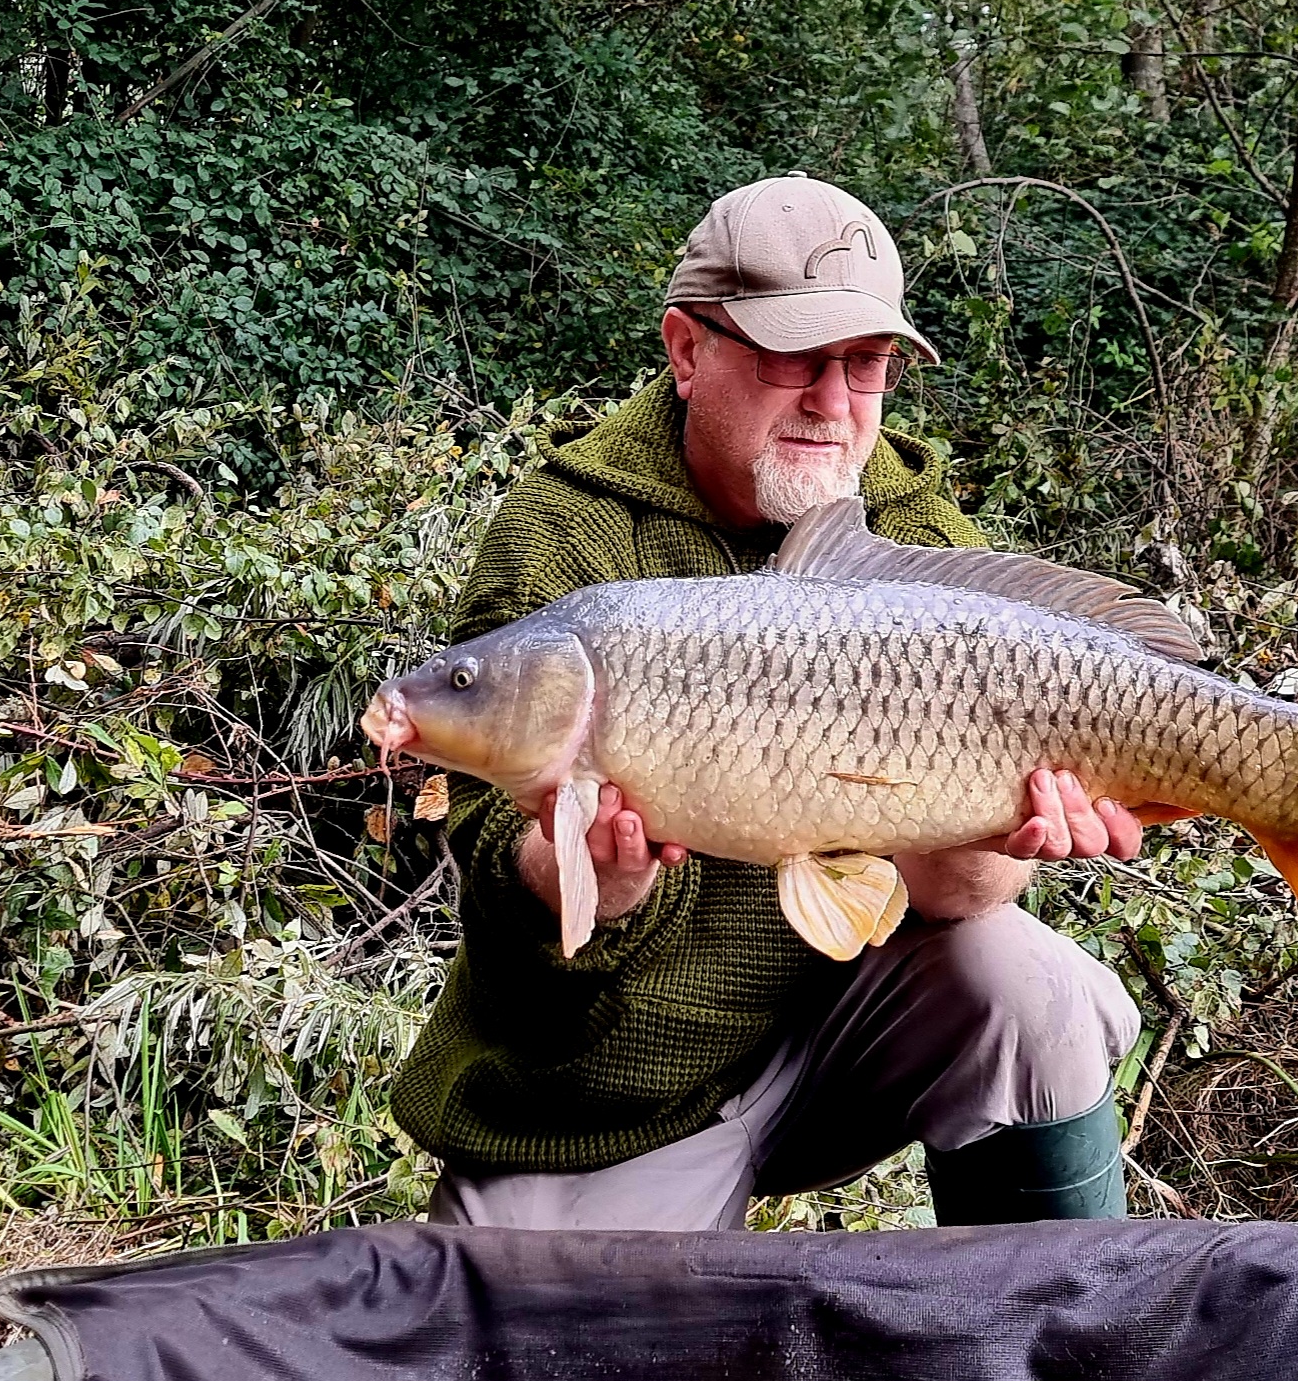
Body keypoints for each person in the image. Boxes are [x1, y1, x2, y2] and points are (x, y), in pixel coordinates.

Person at [392, 175, 1143, 1231]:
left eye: (866, 364)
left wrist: (996, 835)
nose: (833, 403)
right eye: (796, 357)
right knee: (515, 1311)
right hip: (614, 1095)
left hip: (845, 1039)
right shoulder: (563, 535)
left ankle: (1060, 1309)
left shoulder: (917, 534)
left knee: (1022, 982)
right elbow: (489, 885)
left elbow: (960, 897)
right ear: (686, 349)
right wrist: (585, 881)